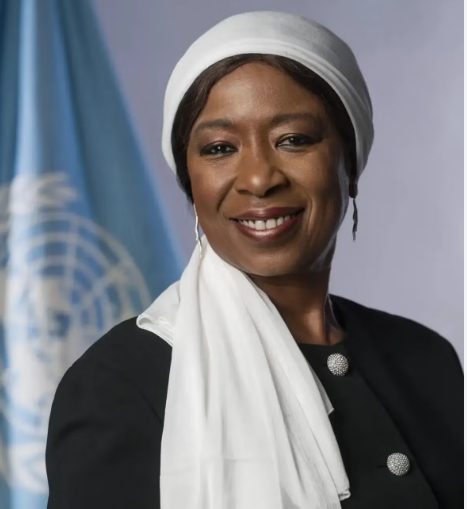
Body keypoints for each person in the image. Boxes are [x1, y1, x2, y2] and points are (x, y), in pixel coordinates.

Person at [45, 11, 463, 509]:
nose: (260, 179)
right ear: (191, 184)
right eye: (220, 148)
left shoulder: (426, 359)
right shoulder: (118, 384)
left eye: (293, 140)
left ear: (350, 164)